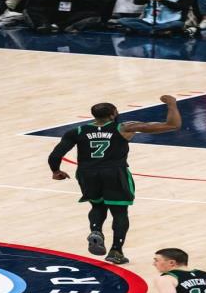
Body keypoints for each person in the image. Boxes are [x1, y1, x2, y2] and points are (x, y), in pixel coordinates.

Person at [47, 95, 181, 264]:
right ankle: (116, 251)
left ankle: (96, 230)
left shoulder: (77, 131)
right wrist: (171, 104)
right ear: (113, 114)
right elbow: (172, 125)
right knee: (119, 212)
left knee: (97, 205)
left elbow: (55, 155)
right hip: (115, 172)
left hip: (87, 173)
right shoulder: (124, 127)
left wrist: (56, 171)